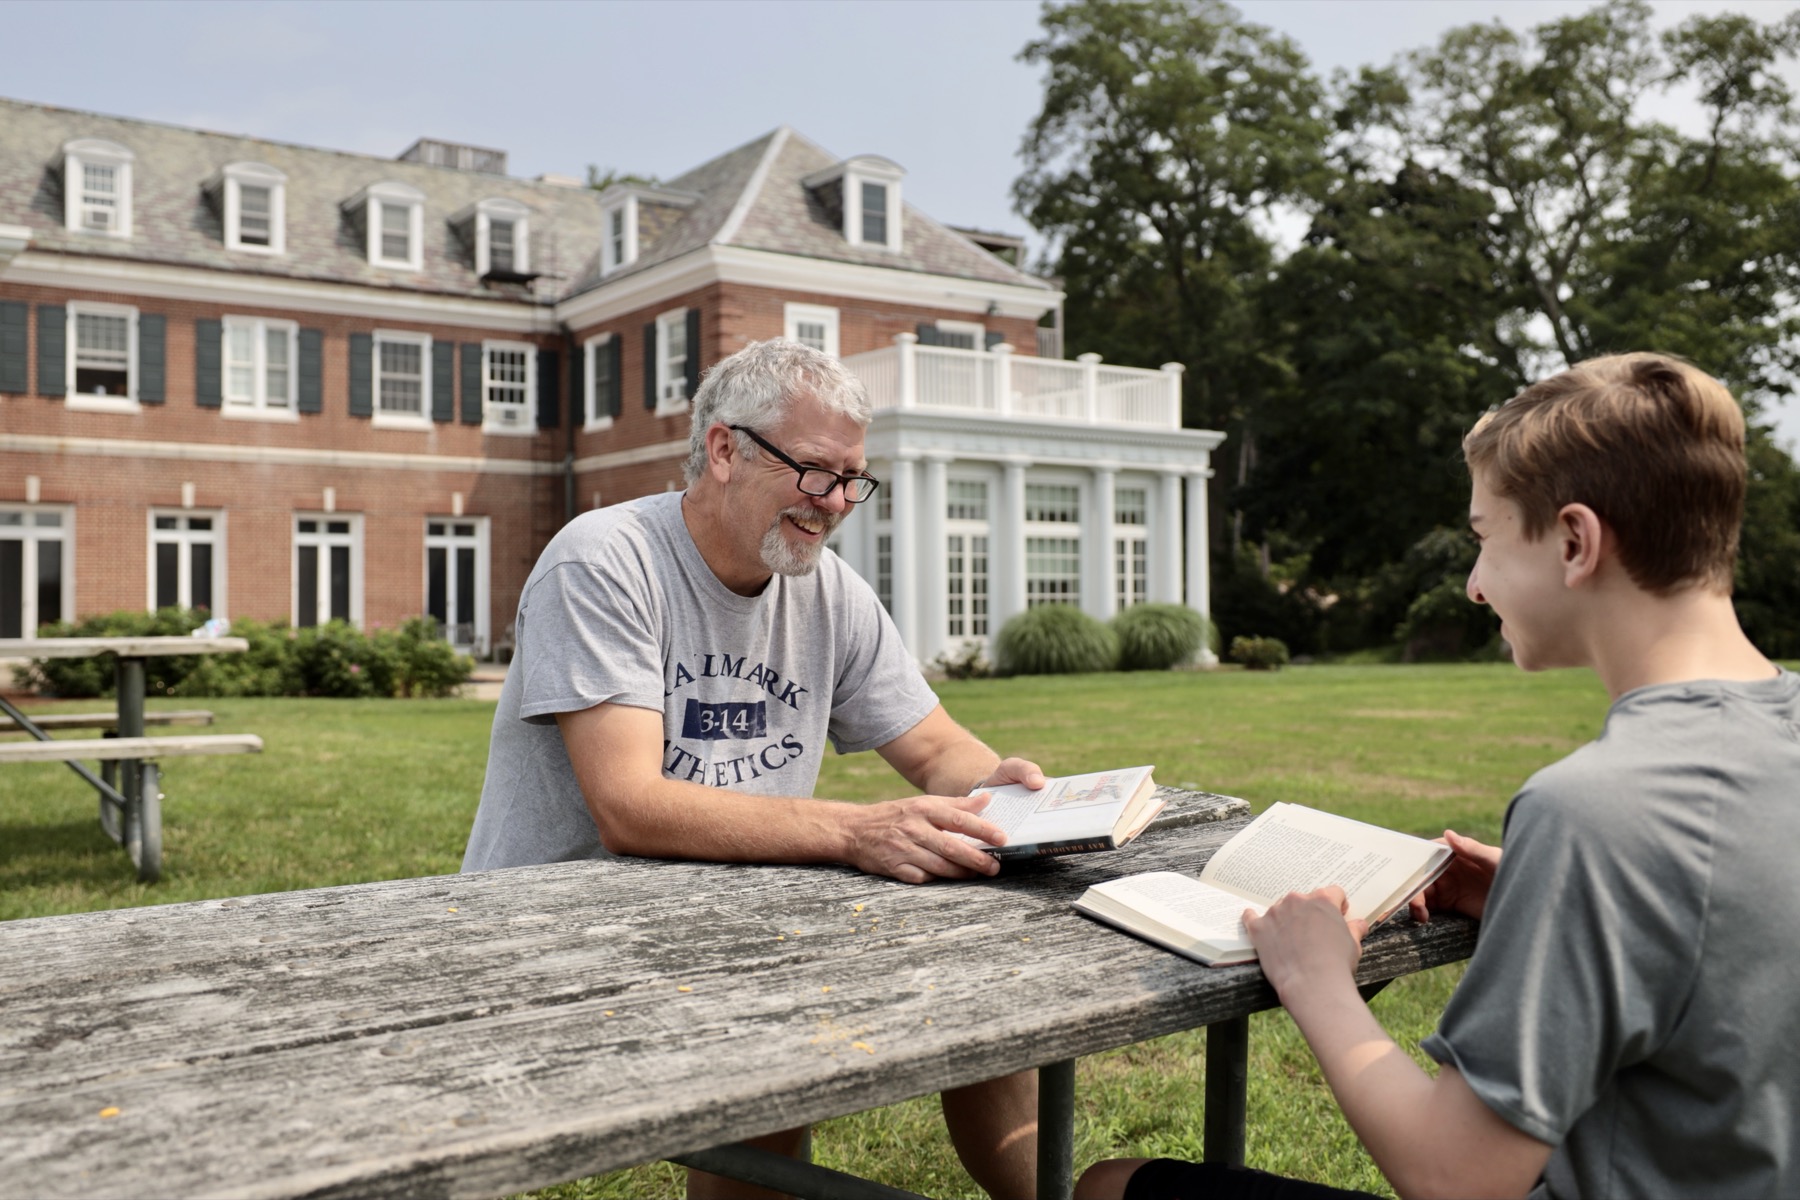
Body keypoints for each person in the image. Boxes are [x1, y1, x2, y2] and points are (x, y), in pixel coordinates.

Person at [1077, 352, 1800, 1200]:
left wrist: (1318, 981)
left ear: (1575, 541)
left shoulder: (1596, 812)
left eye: (1484, 539)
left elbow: (1458, 1176)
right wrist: (1536, 896)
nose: (1474, 585)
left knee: (1112, 1187)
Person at [463, 337, 1042, 1200]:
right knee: (781, 1016)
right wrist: (855, 830)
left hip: (743, 910)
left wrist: (1003, 789)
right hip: (555, 937)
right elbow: (631, 807)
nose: (838, 502)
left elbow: (932, 748)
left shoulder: (829, 590)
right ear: (726, 449)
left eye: (853, 479)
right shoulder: (605, 559)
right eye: (816, 471)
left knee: (982, 968)